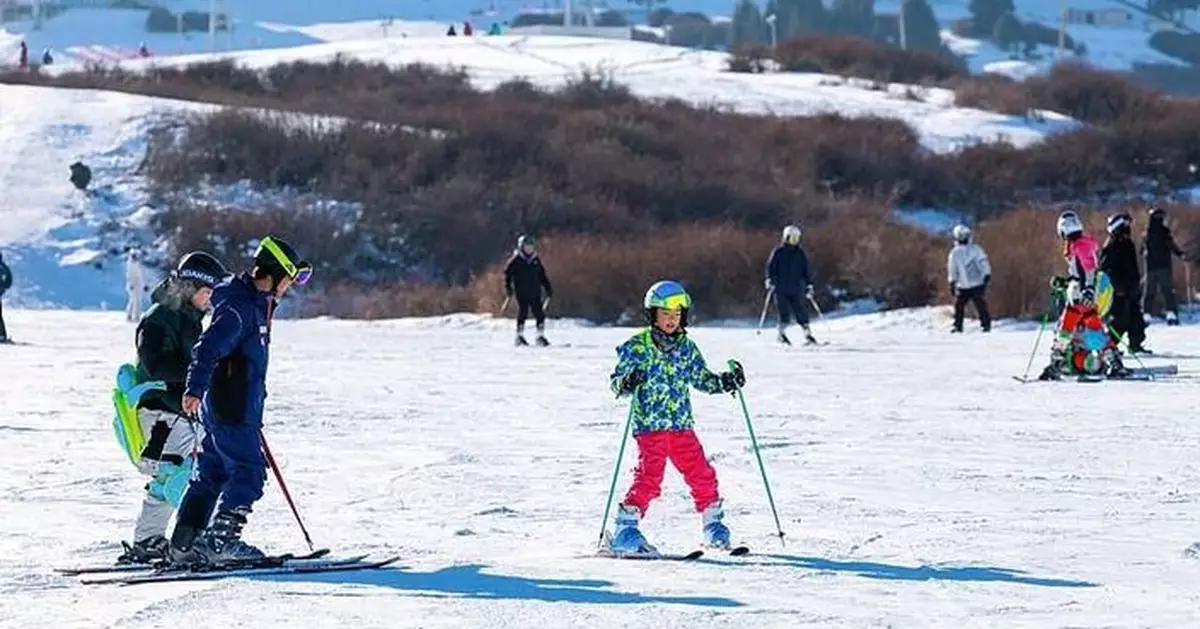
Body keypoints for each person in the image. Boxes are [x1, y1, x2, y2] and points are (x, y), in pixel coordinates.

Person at [169, 237, 311, 565]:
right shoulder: (241, 307)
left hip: (226, 407)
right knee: (248, 470)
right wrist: (194, 388)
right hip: (232, 409)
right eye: (289, 280)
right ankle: (221, 542)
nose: (289, 288)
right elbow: (208, 348)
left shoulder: (251, 303)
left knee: (211, 473)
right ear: (275, 274)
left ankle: (183, 544)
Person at [606, 280, 746, 555]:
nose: (671, 320)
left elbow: (702, 379)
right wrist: (628, 381)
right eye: (665, 315)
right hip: (650, 427)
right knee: (650, 476)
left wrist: (727, 382)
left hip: (682, 425)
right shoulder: (637, 347)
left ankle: (713, 525)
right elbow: (616, 384)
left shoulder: (687, 348)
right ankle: (625, 530)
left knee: (701, 473)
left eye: (677, 315)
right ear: (652, 315)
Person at [116, 252, 228, 564]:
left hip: (172, 412)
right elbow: (156, 364)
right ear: (190, 287)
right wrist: (200, 370)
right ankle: (200, 539)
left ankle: (148, 540)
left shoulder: (187, 318)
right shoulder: (158, 317)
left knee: (168, 476)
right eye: (207, 293)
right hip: (159, 412)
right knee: (188, 474)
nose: (210, 301)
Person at [1039, 211, 1128, 380]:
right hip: (1080, 294)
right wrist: (1065, 283)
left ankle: (1056, 364)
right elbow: (1079, 273)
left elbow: (1088, 270)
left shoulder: (1080, 246)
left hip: (1081, 297)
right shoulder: (1079, 244)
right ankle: (1114, 362)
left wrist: (1087, 289)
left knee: (1066, 328)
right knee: (1093, 329)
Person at [1100, 212, 1148, 353]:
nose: (1128, 227)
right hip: (1119, 291)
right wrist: (1117, 287)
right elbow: (1105, 270)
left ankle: (1135, 345)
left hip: (1131, 289)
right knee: (1119, 322)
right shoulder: (1111, 245)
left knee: (1136, 320)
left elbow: (1132, 266)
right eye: (1125, 225)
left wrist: (1136, 285)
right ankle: (1108, 348)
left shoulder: (1128, 243)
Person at [765, 224, 817, 346]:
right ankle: (781, 334)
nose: (794, 241)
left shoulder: (799, 253)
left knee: (800, 311)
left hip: (795, 288)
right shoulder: (778, 252)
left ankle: (808, 334)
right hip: (780, 288)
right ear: (786, 237)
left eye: (796, 238)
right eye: (792, 238)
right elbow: (770, 268)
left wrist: (809, 284)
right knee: (784, 313)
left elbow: (805, 270)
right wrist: (769, 280)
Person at [503, 234, 553, 347]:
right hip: (522, 292)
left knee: (540, 314)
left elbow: (542, 275)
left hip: (535, 291)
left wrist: (548, 288)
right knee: (523, 312)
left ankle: (540, 336)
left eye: (531, 246)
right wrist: (508, 288)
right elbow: (507, 274)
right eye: (527, 246)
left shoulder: (535, 260)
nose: (529, 249)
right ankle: (519, 336)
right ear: (521, 247)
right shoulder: (516, 260)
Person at [1142, 206, 1186, 326]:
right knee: (1167, 292)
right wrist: (1181, 254)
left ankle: (1146, 315)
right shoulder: (1164, 232)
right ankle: (1171, 314)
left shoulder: (1146, 234)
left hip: (1150, 268)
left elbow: (1142, 250)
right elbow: (1171, 245)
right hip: (1164, 267)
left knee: (1149, 292)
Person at [946, 224, 992, 333]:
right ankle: (958, 326)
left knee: (980, 305)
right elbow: (952, 268)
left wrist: (986, 274)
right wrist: (952, 281)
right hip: (963, 285)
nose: (964, 238)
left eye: (965, 235)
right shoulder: (954, 253)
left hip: (977, 283)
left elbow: (983, 262)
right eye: (961, 236)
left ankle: (985, 325)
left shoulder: (976, 249)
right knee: (959, 306)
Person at [125, 248, 145, 323]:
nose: (135, 257)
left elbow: (141, 275)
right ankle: (131, 315)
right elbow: (129, 275)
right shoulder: (130, 264)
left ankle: (136, 316)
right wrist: (131, 284)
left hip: (138, 285)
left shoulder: (137, 264)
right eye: (134, 256)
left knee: (137, 301)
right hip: (132, 285)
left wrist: (144, 284)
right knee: (133, 300)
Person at [0, 251, 11, 344]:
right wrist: (3, 288)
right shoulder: (4, 267)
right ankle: (2, 335)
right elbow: (9, 281)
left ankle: (1, 336)